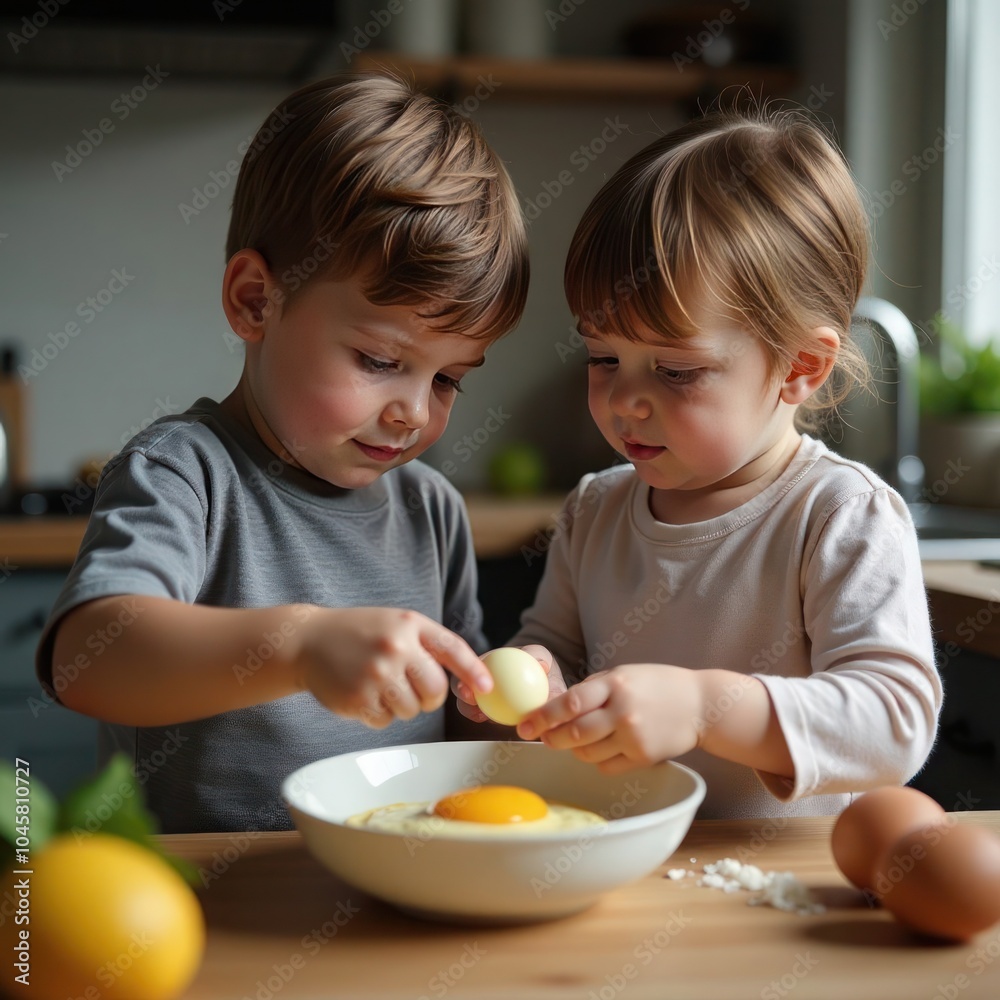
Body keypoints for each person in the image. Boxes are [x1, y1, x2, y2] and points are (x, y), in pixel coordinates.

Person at [36, 73, 530, 833]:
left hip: (386, 892)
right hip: (209, 909)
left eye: (450, 378)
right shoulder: (184, 473)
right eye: (378, 360)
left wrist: (523, 710)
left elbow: (460, 728)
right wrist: (301, 645)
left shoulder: (431, 510)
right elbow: (89, 660)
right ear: (255, 301)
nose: (413, 411)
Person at [455, 105, 941, 819]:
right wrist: (536, 677)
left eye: (676, 371)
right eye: (603, 358)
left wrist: (705, 707)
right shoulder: (595, 510)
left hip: (782, 897)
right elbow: (559, 652)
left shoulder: (837, 515)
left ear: (800, 366)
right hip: (629, 874)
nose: (626, 400)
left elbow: (894, 721)